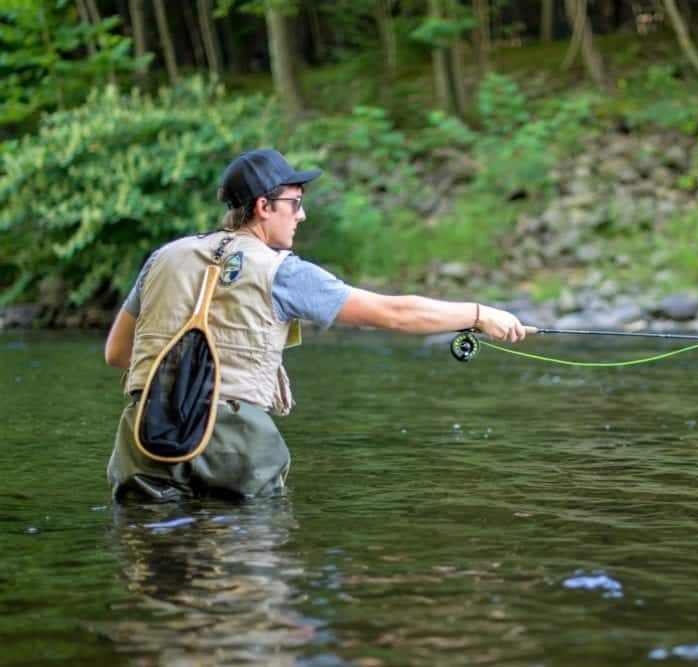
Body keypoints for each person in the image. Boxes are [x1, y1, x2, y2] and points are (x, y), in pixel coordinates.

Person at [104, 148, 530, 502]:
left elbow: (117, 355)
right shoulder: (282, 271)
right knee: (246, 579)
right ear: (263, 206)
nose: (301, 215)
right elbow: (395, 314)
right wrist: (478, 314)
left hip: (145, 436)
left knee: (155, 567)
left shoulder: (163, 258)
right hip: (233, 444)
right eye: (295, 202)